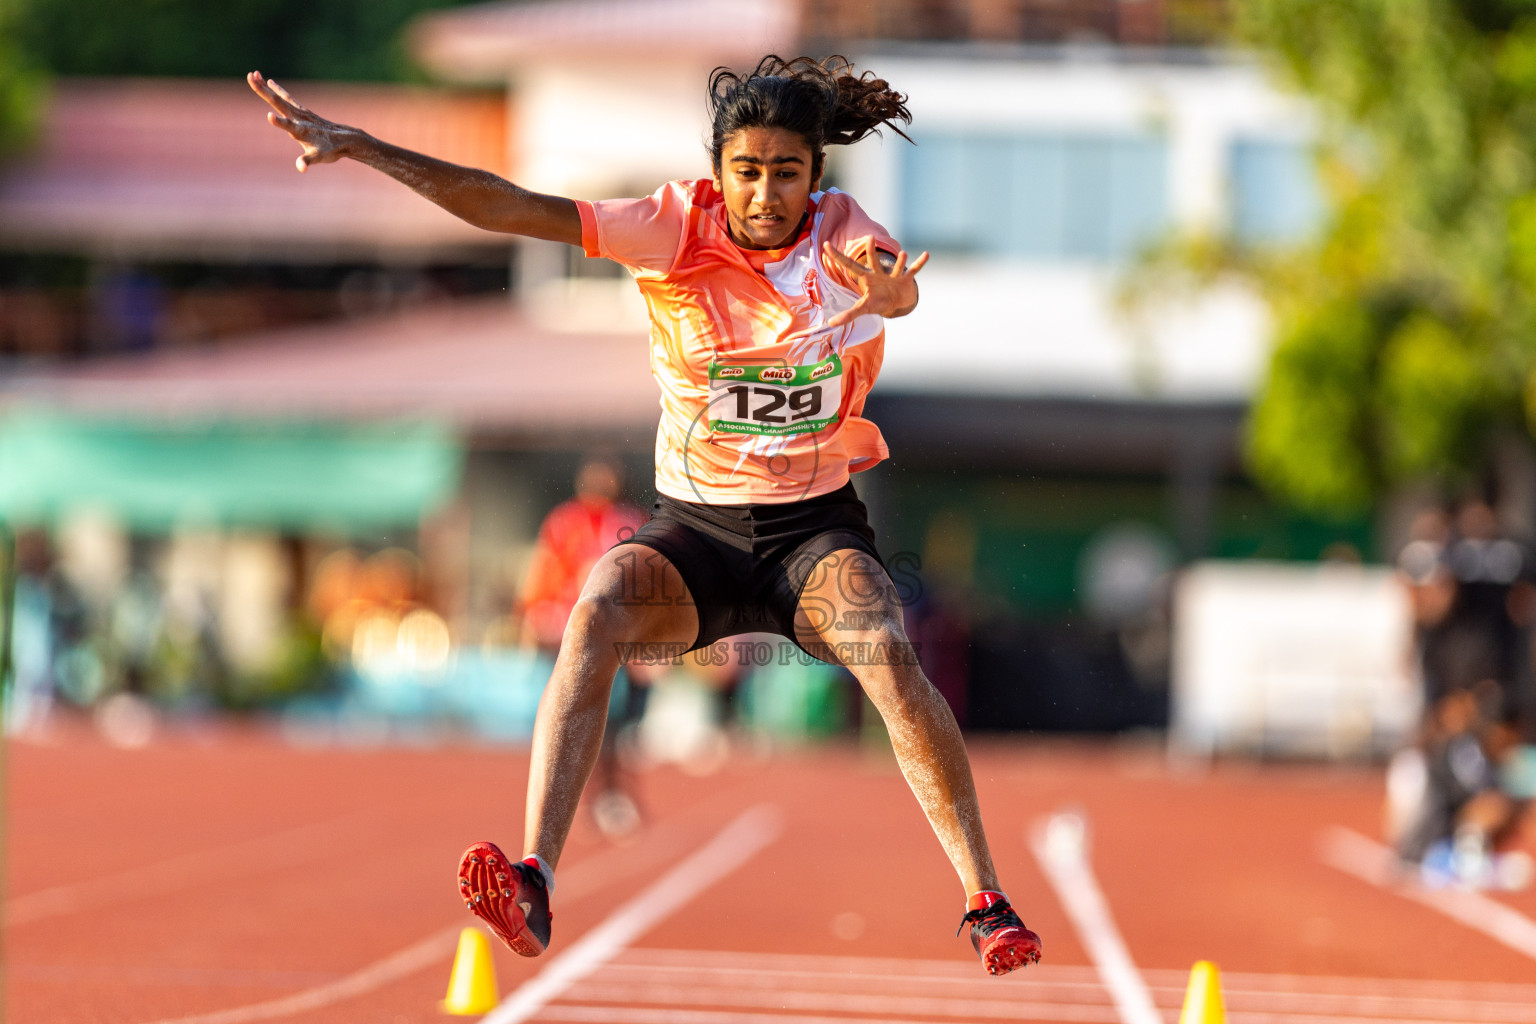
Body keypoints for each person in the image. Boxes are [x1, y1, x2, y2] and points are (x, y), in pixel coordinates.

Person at [250, 54, 1042, 976]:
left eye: (788, 172)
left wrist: (892, 295)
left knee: (886, 648)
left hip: (812, 528)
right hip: (696, 530)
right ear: (720, 173)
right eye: (747, 171)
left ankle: (987, 903)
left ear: (815, 178)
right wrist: (366, 148)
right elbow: (508, 205)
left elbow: (896, 285)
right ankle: (535, 879)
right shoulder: (672, 226)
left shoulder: (842, 239)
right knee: (600, 605)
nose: (766, 192)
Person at [517, 456, 648, 840]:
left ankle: (609, 793)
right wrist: (534, 614)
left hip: (612, 635)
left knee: (611, 719)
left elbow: (643, 581)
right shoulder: (565, 522)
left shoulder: (629, 520)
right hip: (564, 633)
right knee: (560, 718)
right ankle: (554, 805)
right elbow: (545, 570)